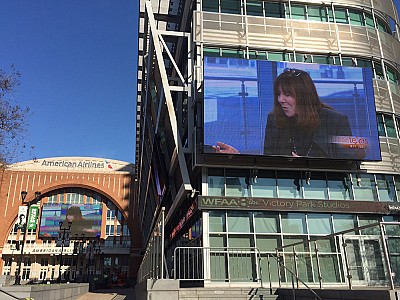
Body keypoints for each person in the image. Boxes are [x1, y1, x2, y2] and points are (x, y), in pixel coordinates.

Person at [264, 68, 365, 159]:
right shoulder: (274, 120)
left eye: (287, 94)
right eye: (278, 94)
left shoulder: (335, 121)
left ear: (303, 96)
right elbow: (266, 163)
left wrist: (311, 165)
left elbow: (349, 163)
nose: (280, 99)